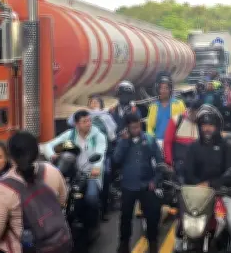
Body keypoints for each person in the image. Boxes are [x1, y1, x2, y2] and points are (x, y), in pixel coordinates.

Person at [0, 131, 72, 253]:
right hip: (60, 244)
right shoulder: (52, 171)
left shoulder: (4, 188)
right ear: (37, 151)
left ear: (10, 156)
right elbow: (62, 200)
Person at [182, 106, 231, 253]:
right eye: (204, 125)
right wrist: (196, 185)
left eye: (210, 125)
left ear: (217, 127)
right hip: (198, 195)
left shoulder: (228, 147)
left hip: (223, 193)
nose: (207, 128)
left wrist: (210, 184)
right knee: (182, 225)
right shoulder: (193, 147)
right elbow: (187, 172)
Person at [113, 112, 164, 253]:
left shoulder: (149, 140)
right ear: (127, 128)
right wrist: (124, 142)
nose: (137, 130)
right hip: (128, 185)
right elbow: (116, 159)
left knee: (152, 216)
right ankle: (124, 244)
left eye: (138, 126)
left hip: (147, 184)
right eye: (133, 128)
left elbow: (160, 162)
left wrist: (155, 180)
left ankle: (153, 243)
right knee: (125, 217)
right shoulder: (122, 141)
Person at [43, 109, 107, 221]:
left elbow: (100, 153)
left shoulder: (98, 136)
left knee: (91, 198)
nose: (88, 123)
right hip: (73, 174)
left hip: (90, 174)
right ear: (77, 124)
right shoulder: (70, 135)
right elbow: (48, 145)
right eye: (84, 121)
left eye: (89, 120)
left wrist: (96, 167)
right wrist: (52, 156)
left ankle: (92, 221)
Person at [163, 98, 201, 179]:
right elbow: (167, 143)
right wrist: (169, 163)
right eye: (194, 112)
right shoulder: (176, 120)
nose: (195, 116)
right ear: (189, 110)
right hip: (179, 165)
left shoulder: (203, 123)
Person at [146, 73, 186, 148]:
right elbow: (150, 126)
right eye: (161, 88)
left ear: (170, 89)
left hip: (173, 143)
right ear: (158, 90)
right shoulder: (153, 106)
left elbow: (183, 124)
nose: (164, 91)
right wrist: (151, 139)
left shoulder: (179, 104)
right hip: (158, 142)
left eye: (166, 88)